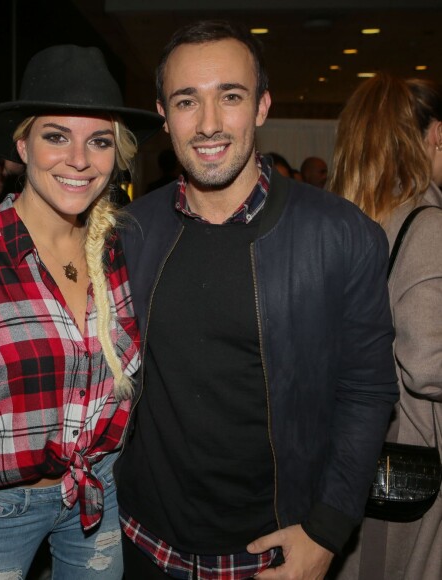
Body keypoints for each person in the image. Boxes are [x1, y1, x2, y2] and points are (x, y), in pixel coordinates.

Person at [114, 19, 399, 580]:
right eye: (187, 102)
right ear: (164, 115)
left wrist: (328, 530)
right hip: (141, 545)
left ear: (263, 106)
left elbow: (368, 391)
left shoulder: (342, 235)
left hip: (276, 557)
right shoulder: (129, 232)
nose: (210, 124)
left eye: (231, 97)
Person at [0, 44, 163, 580]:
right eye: (55, 136)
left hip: (98, 490)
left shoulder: (123, 251)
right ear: (22, 144)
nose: (79, 159)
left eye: (99, 141)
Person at [327, 73, 442, 580]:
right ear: (435, 135)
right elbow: (427, 364)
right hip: (407, 457)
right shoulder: (426, 224)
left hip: (341, 451)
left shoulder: (334, 221)